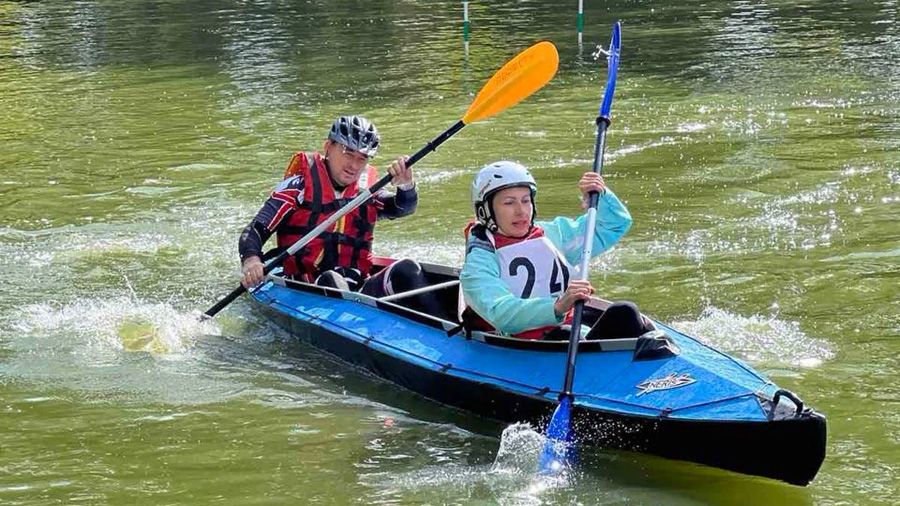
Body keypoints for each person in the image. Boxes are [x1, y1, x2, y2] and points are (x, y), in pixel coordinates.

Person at [238, 115, 439, 312]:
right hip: (308, 286)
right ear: (328, 147)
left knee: (408, 269)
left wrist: (406, 185)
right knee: (332, 280)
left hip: (358, 285)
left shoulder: (367, 191)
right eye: (348, 153)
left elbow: (402, 208)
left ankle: (446, 334)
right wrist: (252, 260)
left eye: (362, 158)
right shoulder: (298, 187)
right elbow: (255, 229)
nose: (353, 165)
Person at [459, 161, 654, 340]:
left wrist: (601, 196)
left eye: (526, 200)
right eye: (509, 203)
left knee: (625, 313)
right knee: (570, 333)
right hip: (517, 342)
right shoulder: (479, 260)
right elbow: (500, 312)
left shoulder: (554, 234)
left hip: (568, 330)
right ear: (485, 211)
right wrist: (559, 305)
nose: (521, 211)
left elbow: (614, 225)